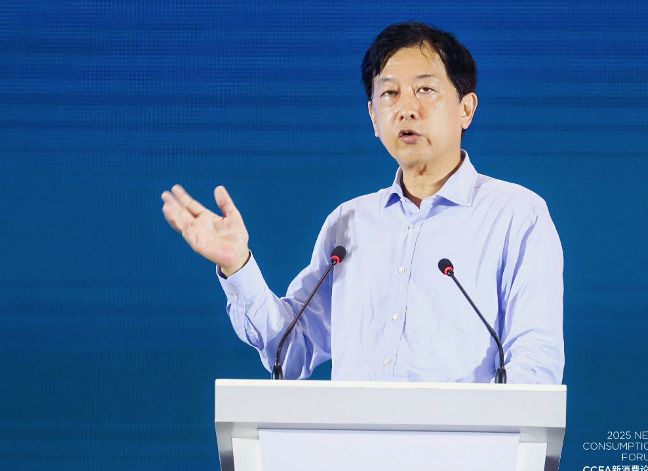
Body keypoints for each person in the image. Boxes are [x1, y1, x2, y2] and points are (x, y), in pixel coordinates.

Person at [161, 21, 564, 384]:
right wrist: (238, 265)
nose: (406, 108)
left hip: (465, 442)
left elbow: (535, 365)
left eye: (425, 89)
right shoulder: (348, 223)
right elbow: (291, 348)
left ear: (466, 108)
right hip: (350, 444)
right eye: (389, 93)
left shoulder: (516, 216)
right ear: (373, 116)